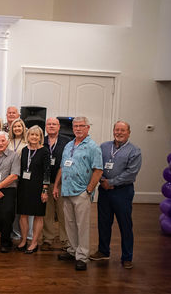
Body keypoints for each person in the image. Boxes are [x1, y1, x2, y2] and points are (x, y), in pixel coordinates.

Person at [54, 116, 103, 271]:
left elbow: (98, 170)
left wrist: (89, 190)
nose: (78, 128)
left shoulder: (93, 147)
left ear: (88, 128)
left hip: (81, 191)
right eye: (75, 126)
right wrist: (56, 186)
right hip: (66, 190)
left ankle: (82, 256)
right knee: (69, 223)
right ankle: (73, 250)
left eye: (81, 126)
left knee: (82, 225)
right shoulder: (69, 145)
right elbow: (62, 167)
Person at [94, 121, 139, 269]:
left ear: (129, 132)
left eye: (123, 130)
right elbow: (97, 166)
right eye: (117, 130)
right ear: (113, 131)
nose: (119, 133)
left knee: (125, 225)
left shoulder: (134, 151)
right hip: (104, 191)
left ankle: (127, 257)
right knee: (103, 222)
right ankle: (103, 251)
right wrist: (102, 180)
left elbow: (131, 173)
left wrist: (111, 182)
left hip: (122, 192)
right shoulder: (104, 147)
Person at [14, 125, 49, 254]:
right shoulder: (24, 150)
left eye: (37, 135)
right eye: (31, 134)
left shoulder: (44, 151)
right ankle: (24, 240)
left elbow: (47, 171)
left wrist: (45, 190)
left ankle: (34, 242)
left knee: (38, 215)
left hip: (38, 187)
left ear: (40, 137)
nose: (34, 137)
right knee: (23, 214)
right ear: (28, 136)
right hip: (24, 186)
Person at [41, 117, 71, 251]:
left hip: (62, 182)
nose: (51, 126)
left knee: (62, 212)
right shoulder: (42, 140)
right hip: (45, 182)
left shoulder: (67, 142)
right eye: (49, 124)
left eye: (54, 124)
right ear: (46, 126)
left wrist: (59, 184)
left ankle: (65, 240)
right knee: (47, 212)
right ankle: (48, 238)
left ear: (59, 127)